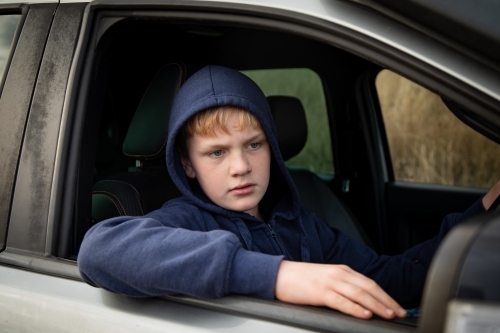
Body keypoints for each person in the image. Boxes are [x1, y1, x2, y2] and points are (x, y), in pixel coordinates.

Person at [78, 65, 499, 320]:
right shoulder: (187, 220)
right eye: (216, 152)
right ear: (186, 164)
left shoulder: (298, 220)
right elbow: (100, 249)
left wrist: (480, 213)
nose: (240, 166)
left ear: (272, 147)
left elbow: (386, 279)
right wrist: (277, 275)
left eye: (254, 145)